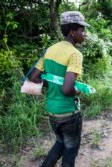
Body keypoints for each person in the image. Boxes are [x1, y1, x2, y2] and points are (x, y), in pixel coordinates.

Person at [30, 11, 90, 167]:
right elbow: (67, 90)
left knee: (60, 143)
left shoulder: (50, 49)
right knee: (71, 149)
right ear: (72, 31)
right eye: (82, 30)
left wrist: (53, 83)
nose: (85, 34)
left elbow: (34, 78)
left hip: (52, 110)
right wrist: (77, 91)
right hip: (68, 113)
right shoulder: (75, 54)